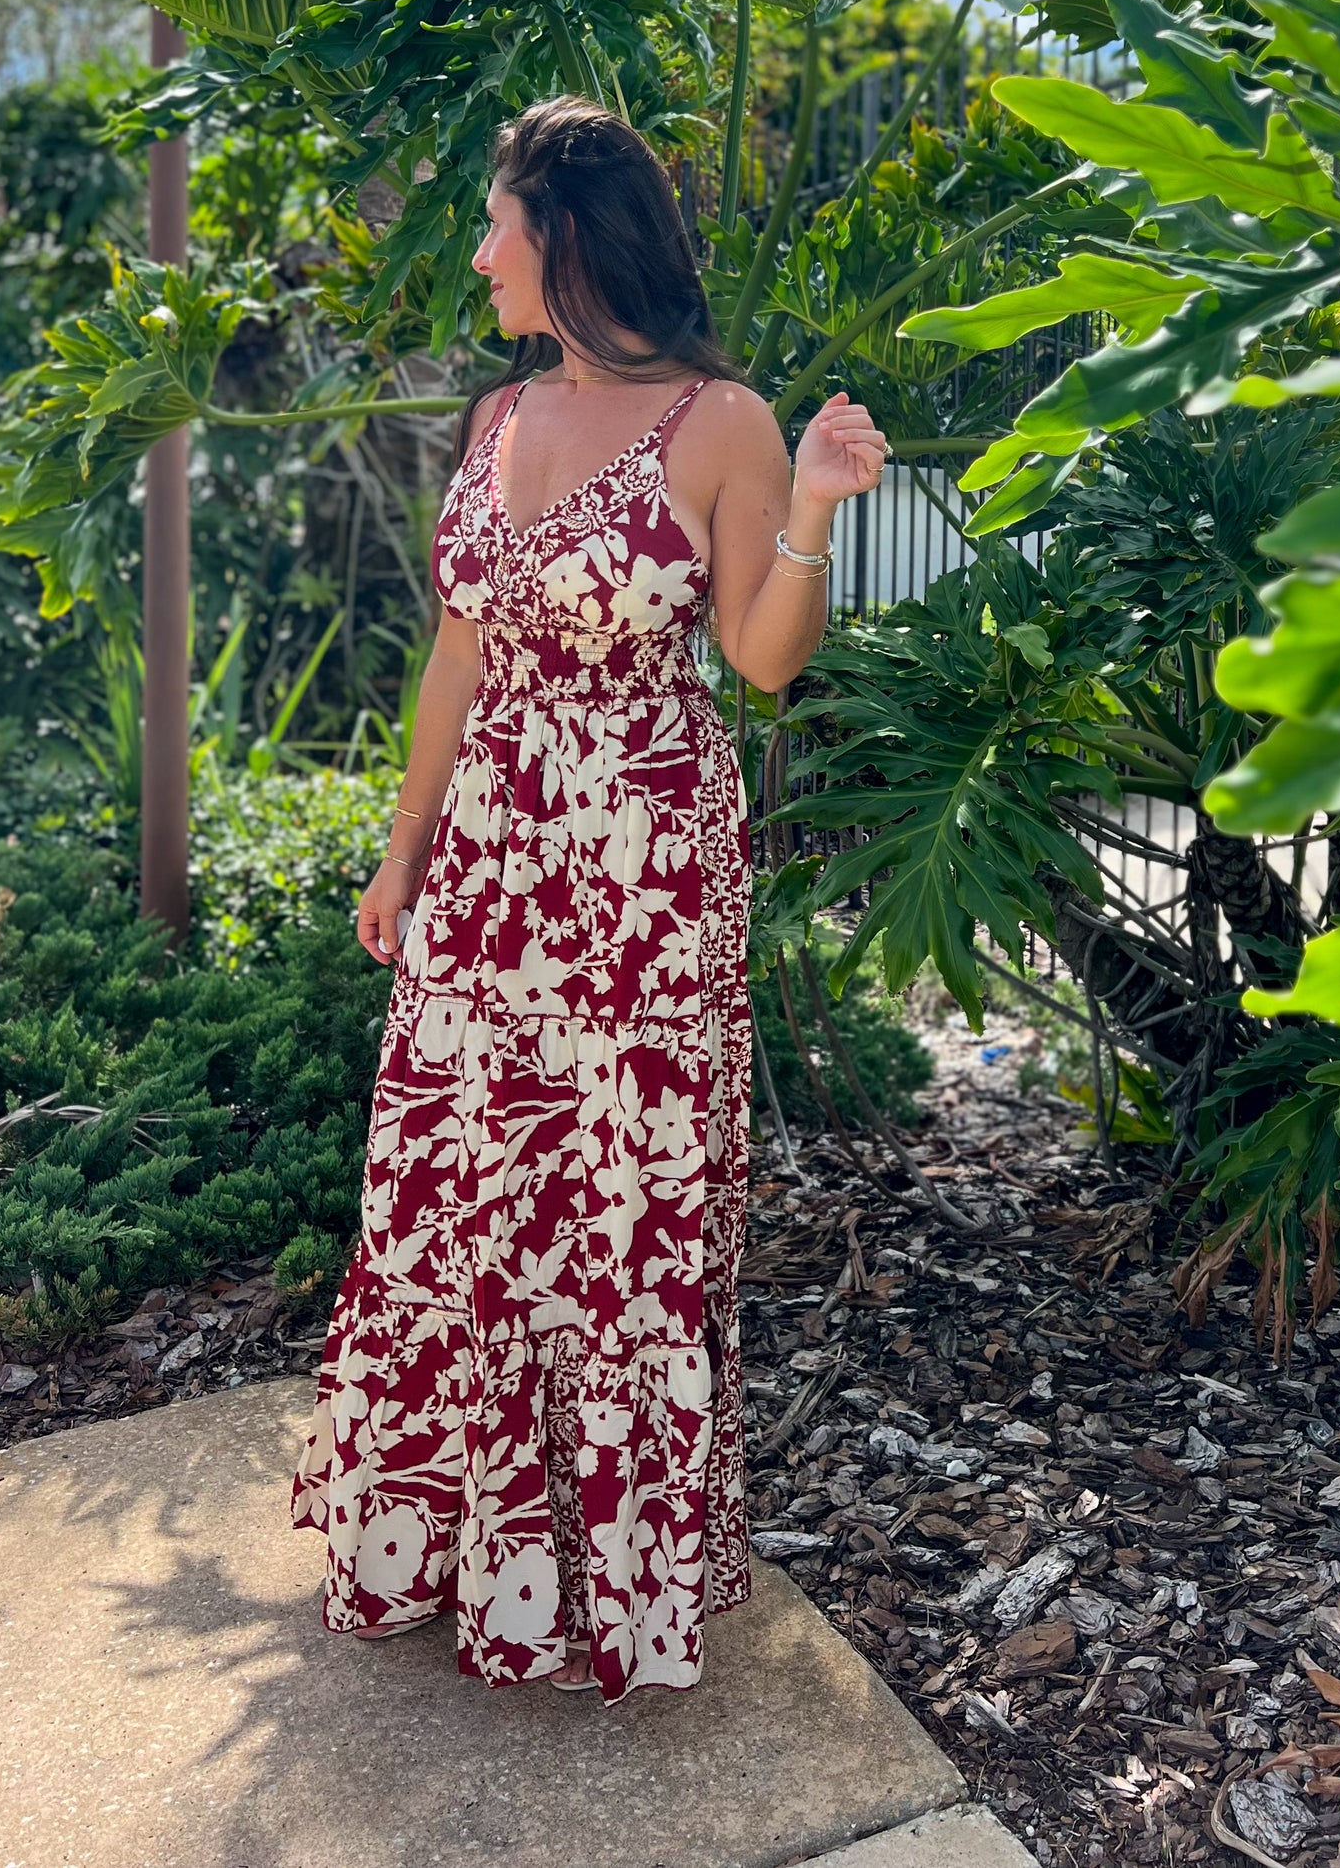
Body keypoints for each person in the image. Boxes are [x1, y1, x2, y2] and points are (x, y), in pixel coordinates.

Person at [291, 94, 887, 1700]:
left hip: (639, 882)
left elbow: (759, 661)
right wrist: (403, 849)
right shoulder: (495, 414)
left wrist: (815, 506)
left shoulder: (719, 420)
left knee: (615, 1210)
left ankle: (601, 1582)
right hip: (490, 866)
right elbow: (460, 650)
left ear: (564, 239)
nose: (482, 259)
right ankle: (456, 1548)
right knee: (458, 1193)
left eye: (498, 230)